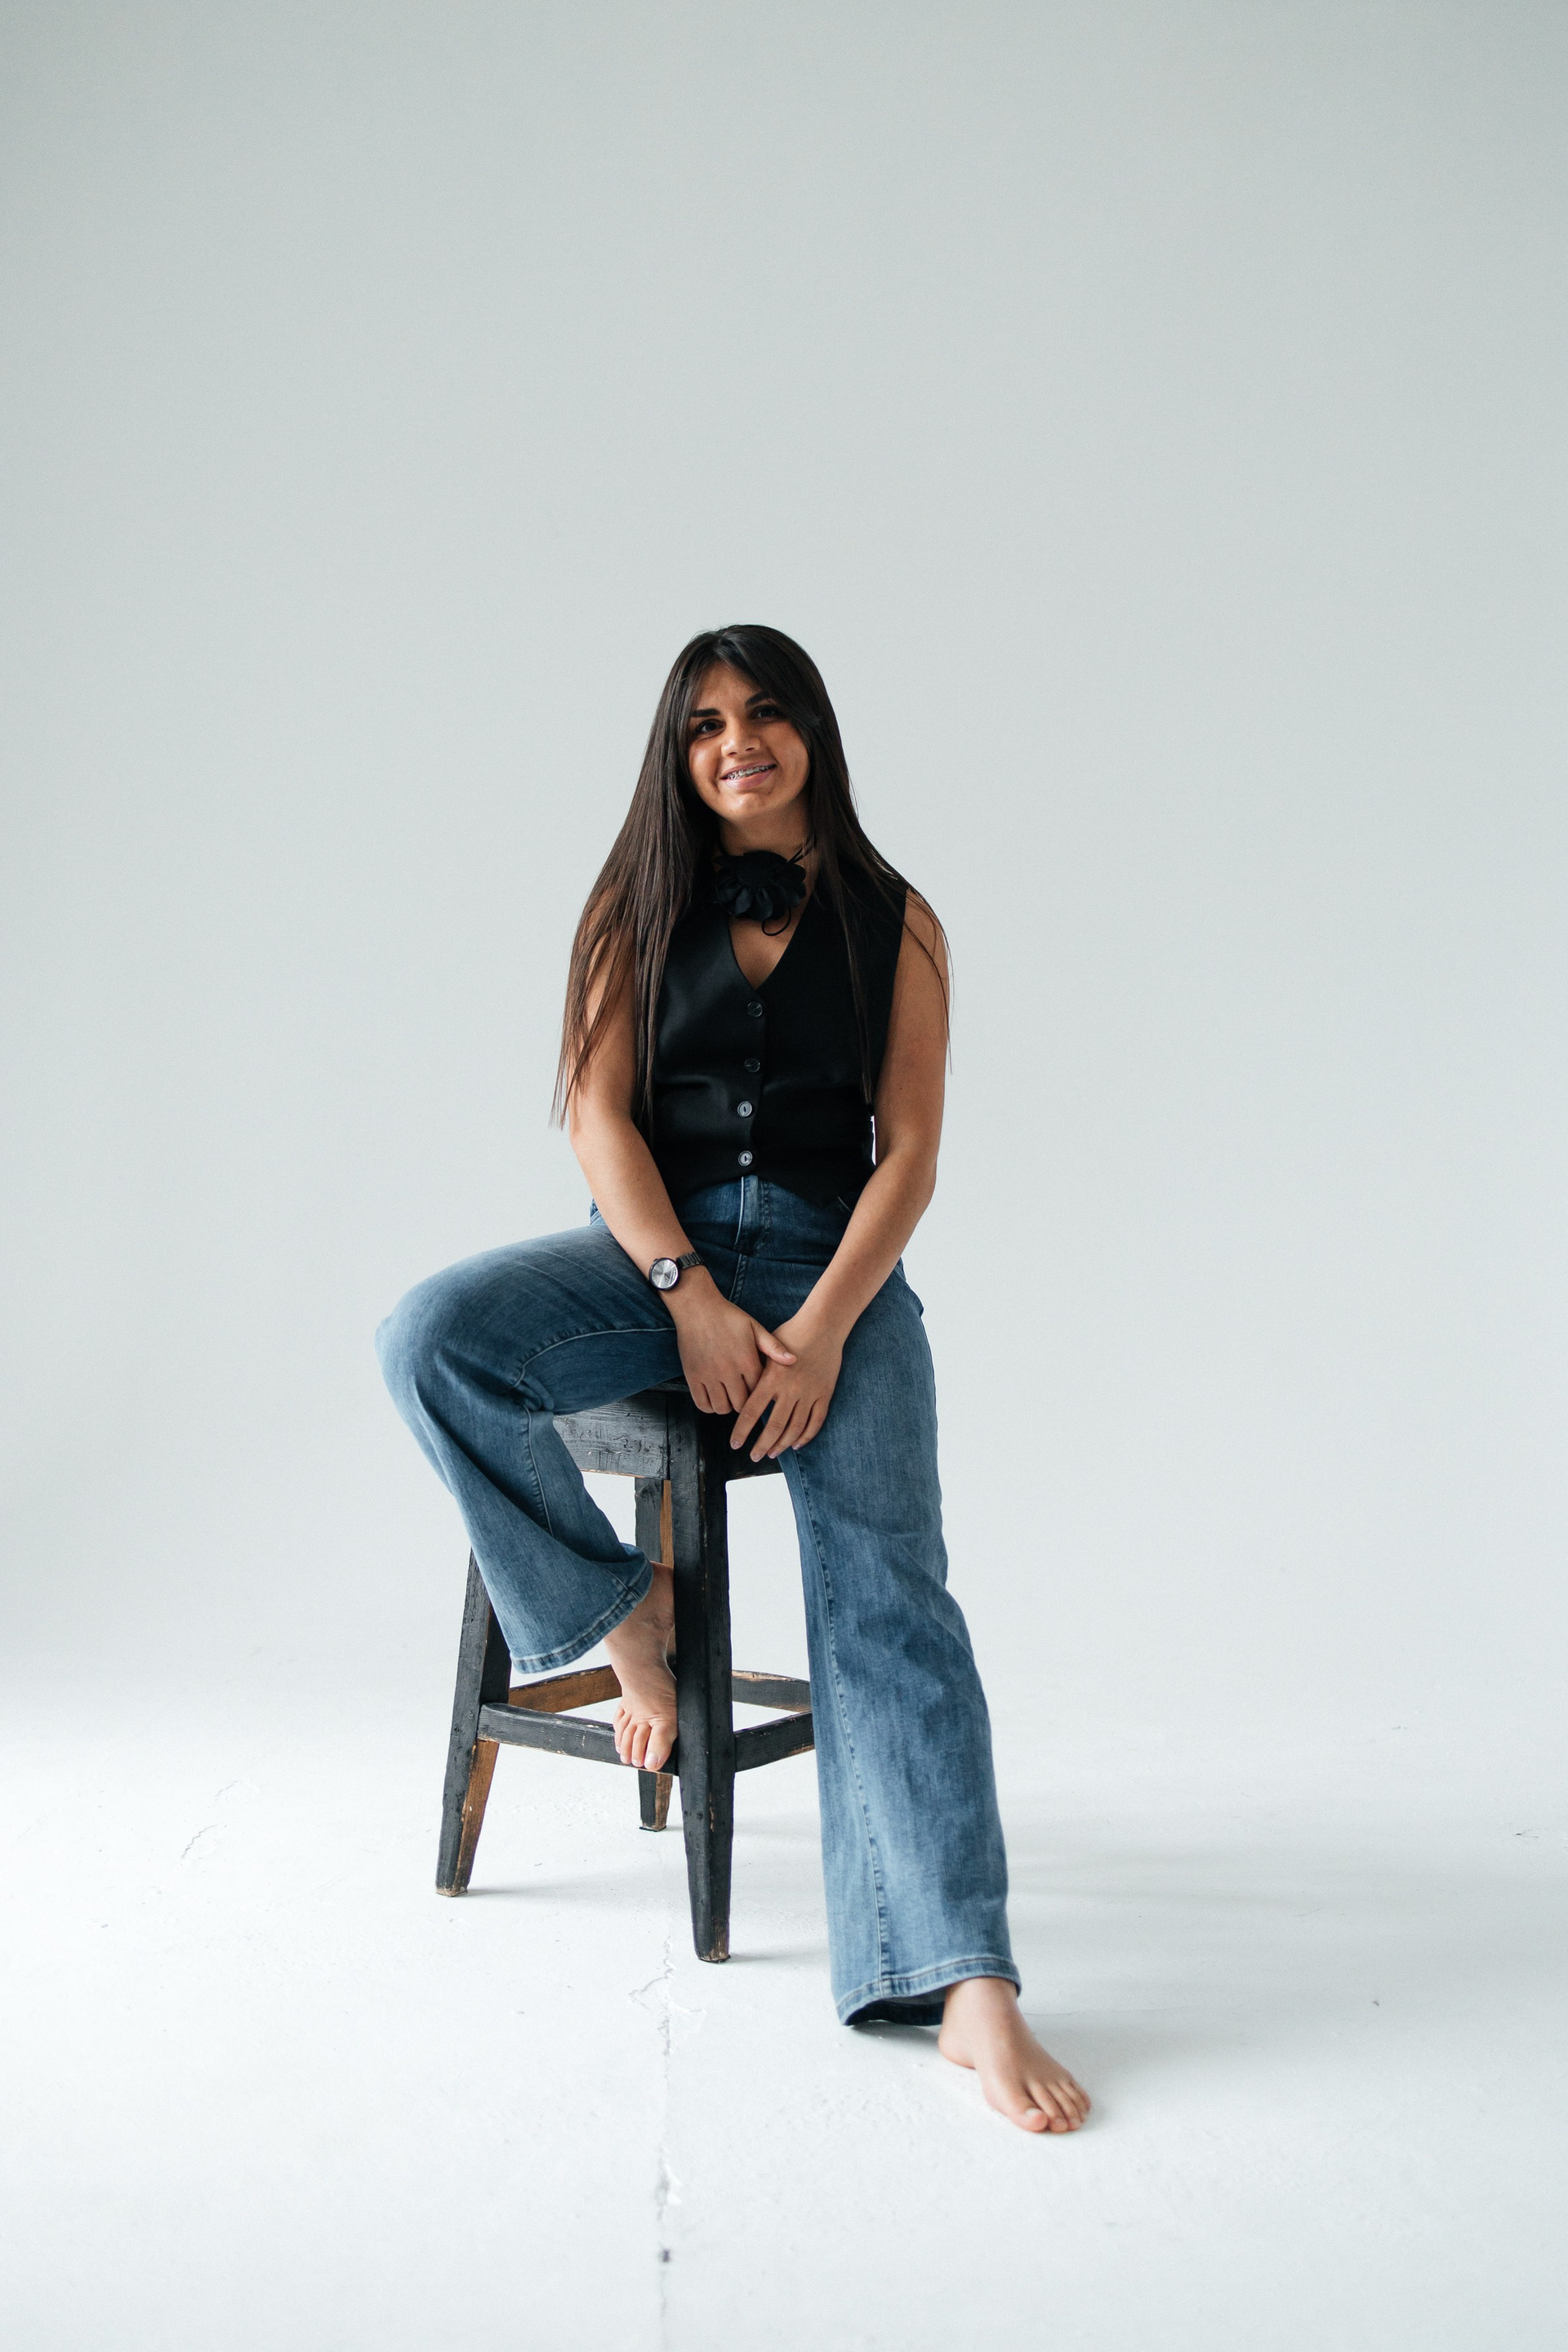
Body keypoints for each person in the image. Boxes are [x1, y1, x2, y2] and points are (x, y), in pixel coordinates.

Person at [376, 625, 1089, 2135]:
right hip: (655, 1258)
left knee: (894, 1595)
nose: (735, 743)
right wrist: (686, 1297)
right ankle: (620, 1616)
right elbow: (598, 1123)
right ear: (678, 754)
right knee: (431, 1336)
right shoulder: (629, 904)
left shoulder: (900, 921)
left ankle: (963, 1980)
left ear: (812, 732)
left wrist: (822, 1330)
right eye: (703, 725)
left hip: (839, 1272)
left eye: (763, 714)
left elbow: (912, 1153)